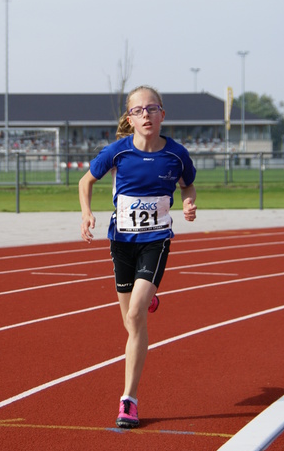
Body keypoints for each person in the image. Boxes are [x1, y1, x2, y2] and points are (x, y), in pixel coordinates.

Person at [79, 85, 197, 428]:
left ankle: (128, 399)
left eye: (152, 108)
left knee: (135, 312)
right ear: (129, 118)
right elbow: (86, 181)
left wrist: (188, 202)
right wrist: (86, 213)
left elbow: (187, 184)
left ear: (162, 114)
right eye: (138, 110)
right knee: (131, 323)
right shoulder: (117, 152)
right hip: (121, 242)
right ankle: (149, 299)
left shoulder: (176, 155)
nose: (146, 115)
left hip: (155, 239)